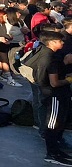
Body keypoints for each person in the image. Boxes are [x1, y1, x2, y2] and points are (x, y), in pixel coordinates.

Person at [32, 30, 72, 165]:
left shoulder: (45, 53)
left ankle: (56, 150)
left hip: (53, 94)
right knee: (53, 125)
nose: (62, 43)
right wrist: (68, 80)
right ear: (52, 42)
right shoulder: (51, 59)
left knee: (58, 124)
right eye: (60, 41)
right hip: (54, 95)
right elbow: (54, 82)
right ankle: (52, 153)